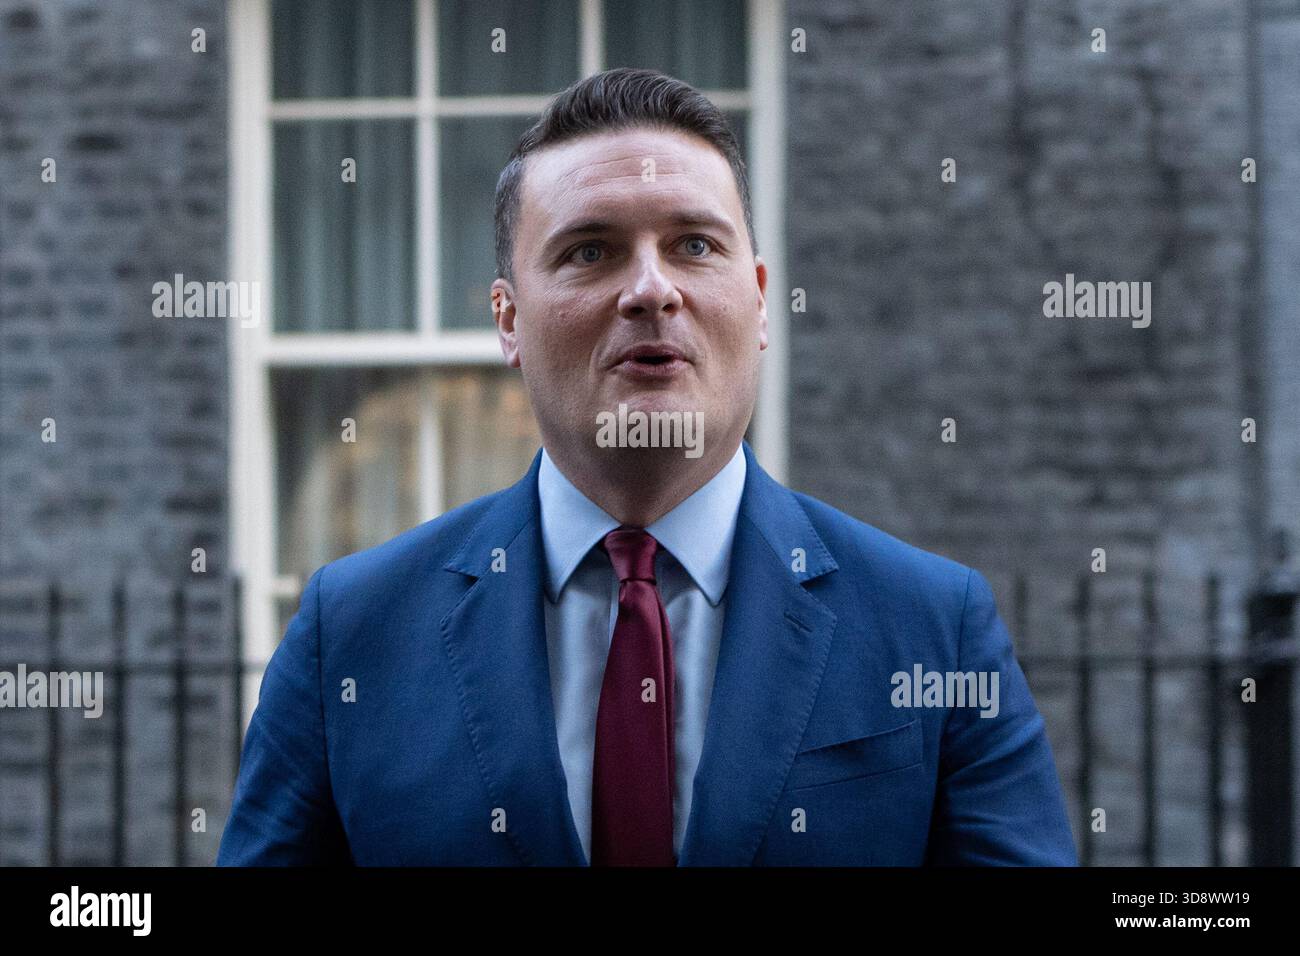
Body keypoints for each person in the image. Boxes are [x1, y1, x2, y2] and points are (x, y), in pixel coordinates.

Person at [217, 68, 1077, 867]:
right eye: (590, 251)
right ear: (508, 319)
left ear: (761, 299)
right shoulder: (350, 637)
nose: (651, 290)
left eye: (695, 246)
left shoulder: (933, 625)